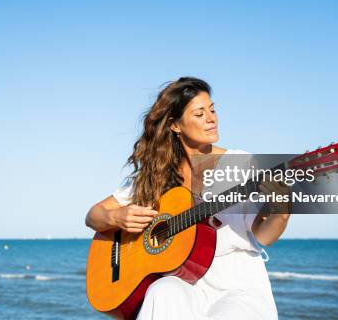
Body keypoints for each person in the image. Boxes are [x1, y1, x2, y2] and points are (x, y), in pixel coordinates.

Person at [85, 77, 290, 320]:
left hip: (236, 283)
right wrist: (116, 216)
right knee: (161, 293)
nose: (212, 118)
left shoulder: (240, 164)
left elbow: (263, 235)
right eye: (199, 113)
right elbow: (93, 216)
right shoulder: (157, 172)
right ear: (175, 125)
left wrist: (281, 210)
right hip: (181, 278)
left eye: (212, 110)